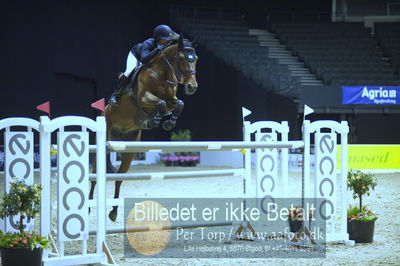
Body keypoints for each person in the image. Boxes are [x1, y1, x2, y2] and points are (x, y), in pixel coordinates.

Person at [109, 25, 179, 106]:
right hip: (137, 56)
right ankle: (115, 95)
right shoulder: (148, 43)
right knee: (129, 72)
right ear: (158, 38)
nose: (168, 41)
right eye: (165, 39)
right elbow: (144, 59)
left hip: (150, 60)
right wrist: (156, 50)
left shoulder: (166, 43)